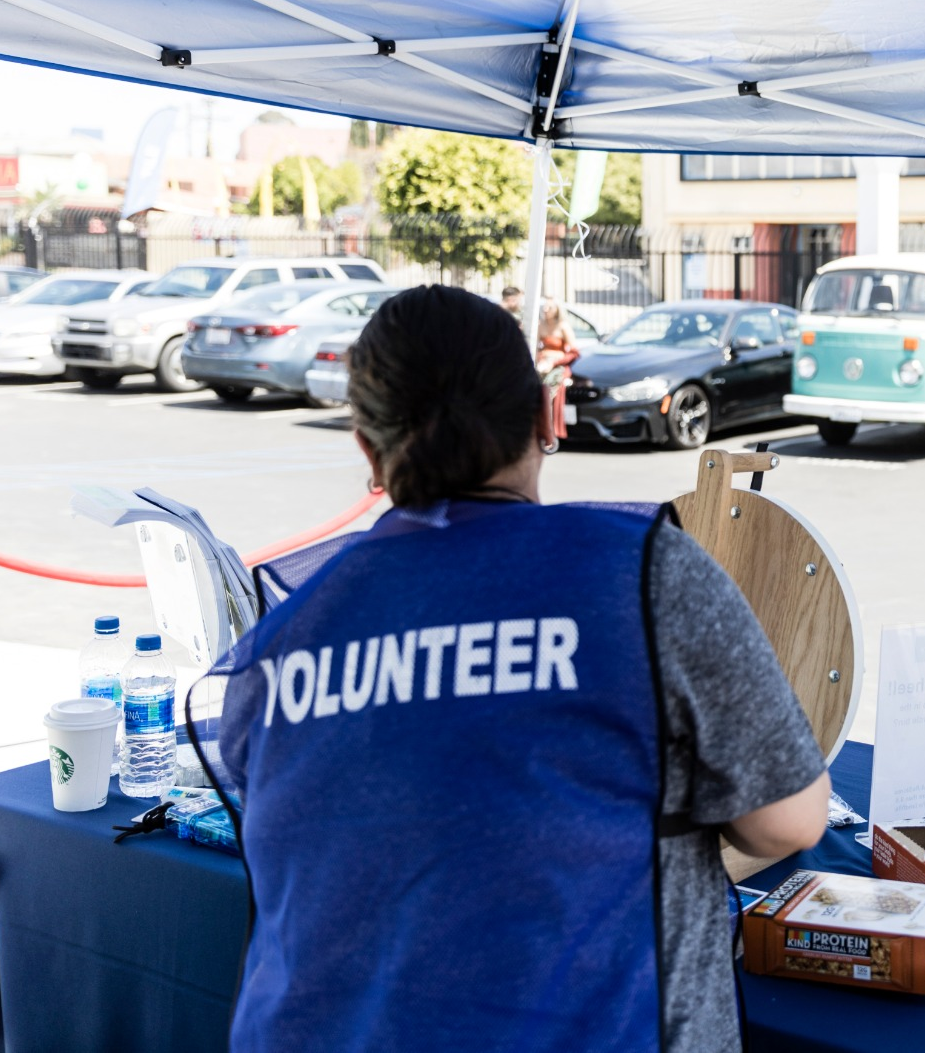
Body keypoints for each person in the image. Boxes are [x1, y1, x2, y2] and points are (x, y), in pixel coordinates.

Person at [218, 285, 829, 1052]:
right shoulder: (640, 571)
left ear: (368, 452)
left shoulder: (282, 636)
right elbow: (789, 819)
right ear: (546, 416)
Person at [537, 299, 580, 440]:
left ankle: (551, 430)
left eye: (549, 307)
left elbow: (574, 352)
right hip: (543, 364)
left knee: (549, 392)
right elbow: (536, 346)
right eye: (544, 307)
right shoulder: (540, 325)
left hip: (557, 365)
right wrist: (540, 359)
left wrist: (554, 362)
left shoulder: (562, 327)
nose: (545, 310)